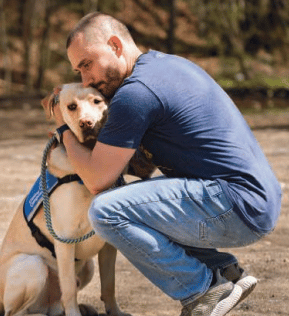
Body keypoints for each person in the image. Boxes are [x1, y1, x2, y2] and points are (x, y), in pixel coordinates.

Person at [53, 12, 282, 316]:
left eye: (87, 64)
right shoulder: (166, 65)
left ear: (115, 45)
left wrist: (64, 132)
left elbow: (98, 180)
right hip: (254, 198)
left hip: (236, 204)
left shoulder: (135, 94)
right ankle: (223, 270)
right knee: (134, 199)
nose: (86, 79)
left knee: (106, 209)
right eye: (78, 70)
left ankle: (203, 289)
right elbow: (142, 168)